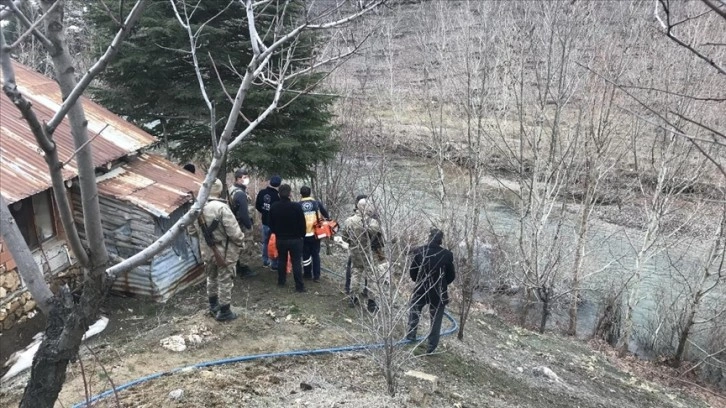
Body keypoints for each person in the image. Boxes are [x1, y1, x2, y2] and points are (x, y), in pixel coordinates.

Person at [189, 179, 245, 322]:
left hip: (207, 252)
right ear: (219, 190)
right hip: (224, 252)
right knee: (225, 280)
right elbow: (234, 232)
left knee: (211, 278)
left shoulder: (197, 208)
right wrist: (240, 242)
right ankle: (224, 311)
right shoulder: (221, 208)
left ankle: (213, 306)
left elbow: (191, 231)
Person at [406, 228, 456, 354]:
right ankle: (431, 346)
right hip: (439, 291)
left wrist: (419, 281)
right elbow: (451, 275)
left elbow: (413, 272)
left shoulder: (420, 251)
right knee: (436, 319)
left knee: (415, 309)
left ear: (429, 237)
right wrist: (442, 283)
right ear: (440, 240)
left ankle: (411, 334)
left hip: (421, 287)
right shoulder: (447, 254)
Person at [341, 198, 381, 312]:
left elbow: (344, 237)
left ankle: (353, 297)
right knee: (372, 277)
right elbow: (378, 237)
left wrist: (352, 243)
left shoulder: (349, 221)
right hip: (369, 252)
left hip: (355, 251)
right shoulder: (373, 222)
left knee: (356, 273)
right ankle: (371, 302)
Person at [269, 184, 307, 292]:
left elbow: (270, 224)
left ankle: (281, 281)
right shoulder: (296, 207)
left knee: (282, 260)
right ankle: (299, 286)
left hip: (281, 238)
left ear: (279, 194)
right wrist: (302, 235)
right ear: (290, 194)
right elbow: (302, 224)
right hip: (296, 239)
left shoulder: (274, 207)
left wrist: (276, 233)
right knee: (296, 262)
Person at [299, 186, 330, 282]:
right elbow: (326, 215)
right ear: (310, 193)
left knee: (305, 255)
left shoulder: (298, 205)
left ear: (301, 194)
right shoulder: (316, 203)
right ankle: (316, 276)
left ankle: (307, 274)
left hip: (303, 234)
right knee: (315, 254)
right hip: (316, 233)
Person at [229, 168, 256, 278]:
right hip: (242, 224)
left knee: (238, 245)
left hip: (235, 223)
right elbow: (244, 213)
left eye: (247, 177)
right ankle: (244, 269)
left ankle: (239, 266)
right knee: (246, 245)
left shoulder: (233, 189)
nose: (246, 180)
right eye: (244, 178)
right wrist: (249, 226)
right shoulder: (240, 193)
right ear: (238, 179)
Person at [255, 175, 281, 269]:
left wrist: (264, 211)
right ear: (278, 185)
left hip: (265, 221)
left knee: (266, 242)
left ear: (270, 182)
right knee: (275, 243)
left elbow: (257, 205)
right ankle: (274, 264)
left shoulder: (262, 192)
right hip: (275, 224)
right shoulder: (278, 196)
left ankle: (265, 261)